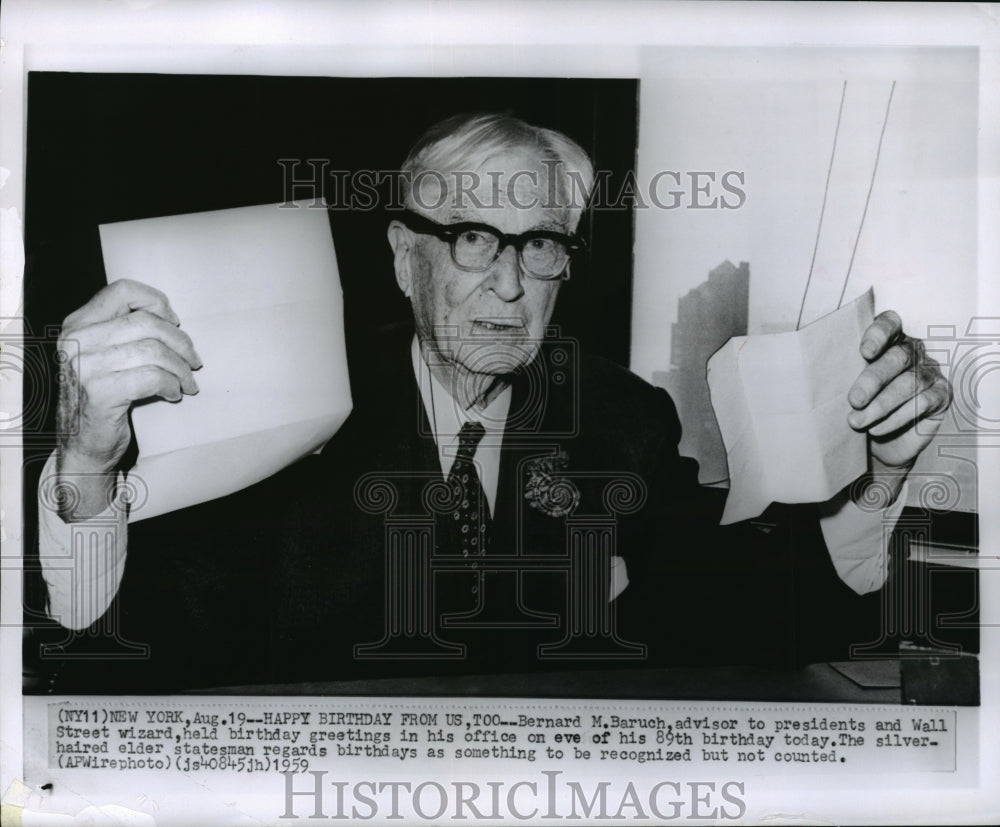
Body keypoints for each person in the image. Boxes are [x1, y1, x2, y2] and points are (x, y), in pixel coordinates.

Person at [34, 113, 951, 692]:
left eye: (543, 245)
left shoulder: (615, 412)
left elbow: (750, 610)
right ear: (405, 255)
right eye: (475, 239)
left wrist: (877, 480)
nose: (512, 286)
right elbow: (115, 651)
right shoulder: (293, 405)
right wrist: (84, 468)